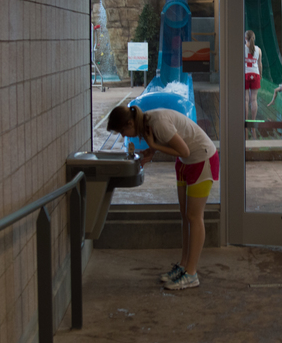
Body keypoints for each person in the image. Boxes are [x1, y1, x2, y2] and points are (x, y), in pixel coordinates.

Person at [107, 105, 219, 290]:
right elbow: (174, 144)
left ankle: (192, 274)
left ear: (129, 122)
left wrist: (153, 146)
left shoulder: (156, 122)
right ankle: (184, 266)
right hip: (185, 163)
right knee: (185, 215)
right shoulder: (147, 123)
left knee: (194, 216)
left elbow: (185, 151)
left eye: (122, 131)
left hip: (202, 159)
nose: (123, 136)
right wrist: (152, 152)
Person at [244, 30, 263, 138]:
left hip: (245, 74)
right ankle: (253, 124)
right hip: (255, 74)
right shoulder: (258, 50)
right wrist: (260, 75)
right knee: (254, 100)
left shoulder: (242, 48)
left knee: (246, 100)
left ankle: (246, 123)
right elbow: (259, 64)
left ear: (245, 38)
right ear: (254, 38)